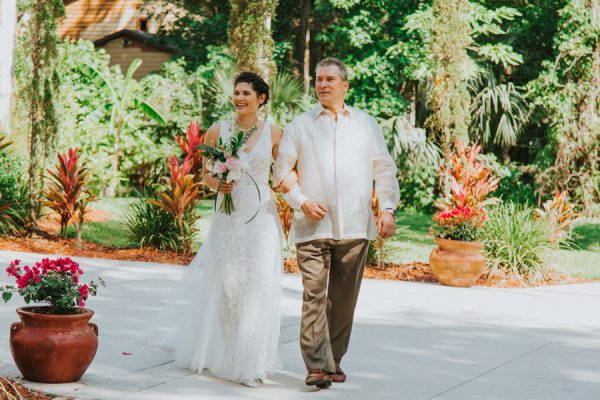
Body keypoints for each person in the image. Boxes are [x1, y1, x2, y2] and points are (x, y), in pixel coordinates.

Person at [146, 71, 289, 388]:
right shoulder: (217, 131)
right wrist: (220, 182)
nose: (239, 98)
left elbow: (283, 177)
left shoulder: (275, 135)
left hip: (260, 219)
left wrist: (293, 196)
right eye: (236, 93)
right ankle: (229, 352)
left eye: (246, 94)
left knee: (258, 288)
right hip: (227, 218)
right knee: (227, 287)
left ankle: (250, 363)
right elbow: (206, 176)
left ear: (261, 98)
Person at [274, 57, 400, 388]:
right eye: (318, 79)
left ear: (345, 85)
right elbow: (281, 172)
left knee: (344, 298)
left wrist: (387, 209)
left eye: (330, 79)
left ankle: (335, 360)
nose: (323, 84)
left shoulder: (365, 124)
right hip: (311, 227)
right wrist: (301, 201)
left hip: (356, 226)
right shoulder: (299, 126)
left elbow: (383, 169)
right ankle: (316, 366)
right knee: (314, 294)